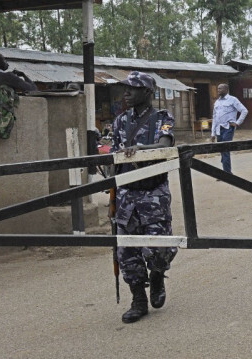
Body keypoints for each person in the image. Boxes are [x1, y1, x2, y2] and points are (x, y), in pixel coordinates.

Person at [110, 71, 178, 324]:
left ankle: (158, 276)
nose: (126, 92)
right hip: (126, 192)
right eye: (125, 88)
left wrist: (141, 150)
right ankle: (138, 300)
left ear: (148, 92)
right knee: (127, 250)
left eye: (133, 88)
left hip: (154, 193)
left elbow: (165, 146)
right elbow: (115, 157)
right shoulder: (119, 121)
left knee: (158, 246)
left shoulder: (162, 118)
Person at [211, 83, 248, 174]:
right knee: (221, 150)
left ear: (226, 90)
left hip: (228, 128)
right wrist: (213, 133)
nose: (218, 90)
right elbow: (215, 118)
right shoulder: (217, 102)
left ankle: (227, 173)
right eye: (218, 88)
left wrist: (237, 123)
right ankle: (226, 171)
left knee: (225, 149)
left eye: (220, 89)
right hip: (219, 129)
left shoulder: (233, 100)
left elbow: (244, 110)